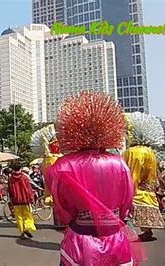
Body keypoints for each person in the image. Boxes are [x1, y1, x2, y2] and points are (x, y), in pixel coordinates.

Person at [46, 92, 140, 265]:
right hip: (115, 237)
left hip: (80, 238)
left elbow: (61, 206)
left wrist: (73, 218)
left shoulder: (62, 165)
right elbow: (127, 201)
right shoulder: (119, 163)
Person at [123, 112, 165, 241]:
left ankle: (132, 232)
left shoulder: (133, 152)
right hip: (148, 189)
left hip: (138, 190)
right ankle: (147, 231)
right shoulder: (149, 151)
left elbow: (132, 174)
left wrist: (129, 191)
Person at [9, 163, 37, 238]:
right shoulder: (24, 177)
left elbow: (10, 190)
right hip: (25, 199)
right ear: (20, 169)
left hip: (16, 200)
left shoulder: (11, 178)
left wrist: (11, 199)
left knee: (19, 217)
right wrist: (31, 198)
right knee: (27, 215)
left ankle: (22, 232)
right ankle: (27, 227)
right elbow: (28, 189)